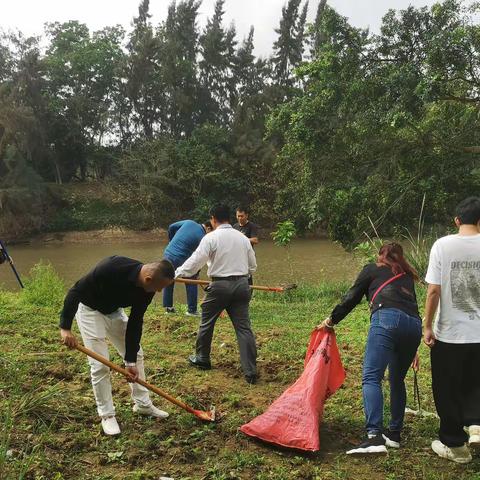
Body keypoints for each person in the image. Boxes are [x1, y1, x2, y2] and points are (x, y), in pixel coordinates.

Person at [318, 243, 422, 454]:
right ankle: (394, 434)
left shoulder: (372, 269)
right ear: (400, 258)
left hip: (386, 319)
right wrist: (414, 348)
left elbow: (351, 297)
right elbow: (410, 308)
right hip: (414, 327)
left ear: (380, 256)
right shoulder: (407, 276)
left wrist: (331, 321)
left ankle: (374, 436)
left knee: (371, 377)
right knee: (397, 379)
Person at [59, 256, 175, 436]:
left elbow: (136, 321)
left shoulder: (148, 288)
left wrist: (129, 361)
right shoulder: (111, 267)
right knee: (100, 365)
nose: (159, 291)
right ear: (148, 279)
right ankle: (107, 415)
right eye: (159, 287)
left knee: (136, 355)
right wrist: (65, 328)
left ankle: (143, 404)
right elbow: (76, 291)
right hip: (90, 311)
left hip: (114, 312)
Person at [424, 197, 480, 464]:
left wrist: (426, 326)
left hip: (450, 334)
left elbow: (434, 290)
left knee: (447, 387)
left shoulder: (442, 246)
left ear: (457, 220)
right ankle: (476, 425)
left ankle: (456, 447)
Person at [175, 205, 258, 384]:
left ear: (213, 219)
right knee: (244, 328)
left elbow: (195, 262)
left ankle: (202, 358)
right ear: (229, 218)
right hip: (243, 285)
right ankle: (250, 371)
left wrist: (176, 273)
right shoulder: (243, 238)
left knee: (207, 321)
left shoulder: (210, 237)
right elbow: (252, 266)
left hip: (219, 285)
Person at [162, 219, 213, 316]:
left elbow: (171, 226)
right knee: (191, 281)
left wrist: (172, 241)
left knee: (169, 279)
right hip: (181, 258)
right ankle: (192, 310)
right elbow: (199, 259)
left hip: (168, 253)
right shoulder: (203, 238)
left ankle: (169, 309)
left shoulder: (189, 222)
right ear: (208, 228)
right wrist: (196, 273)